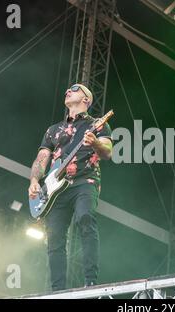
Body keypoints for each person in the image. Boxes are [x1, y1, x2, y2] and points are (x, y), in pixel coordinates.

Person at [28, 83, 112, 291]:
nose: (68, 90)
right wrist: (34, 181)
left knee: (85, 217)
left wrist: (95, 143)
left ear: (86, 99)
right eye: (67, 89)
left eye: (75, 89)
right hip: (55, 189)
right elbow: (42, 158)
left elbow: (107, 152)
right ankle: (58, 290)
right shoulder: (53, 130)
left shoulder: (98, 124)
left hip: (85, 180)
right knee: (55, 237)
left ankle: (90, 281)